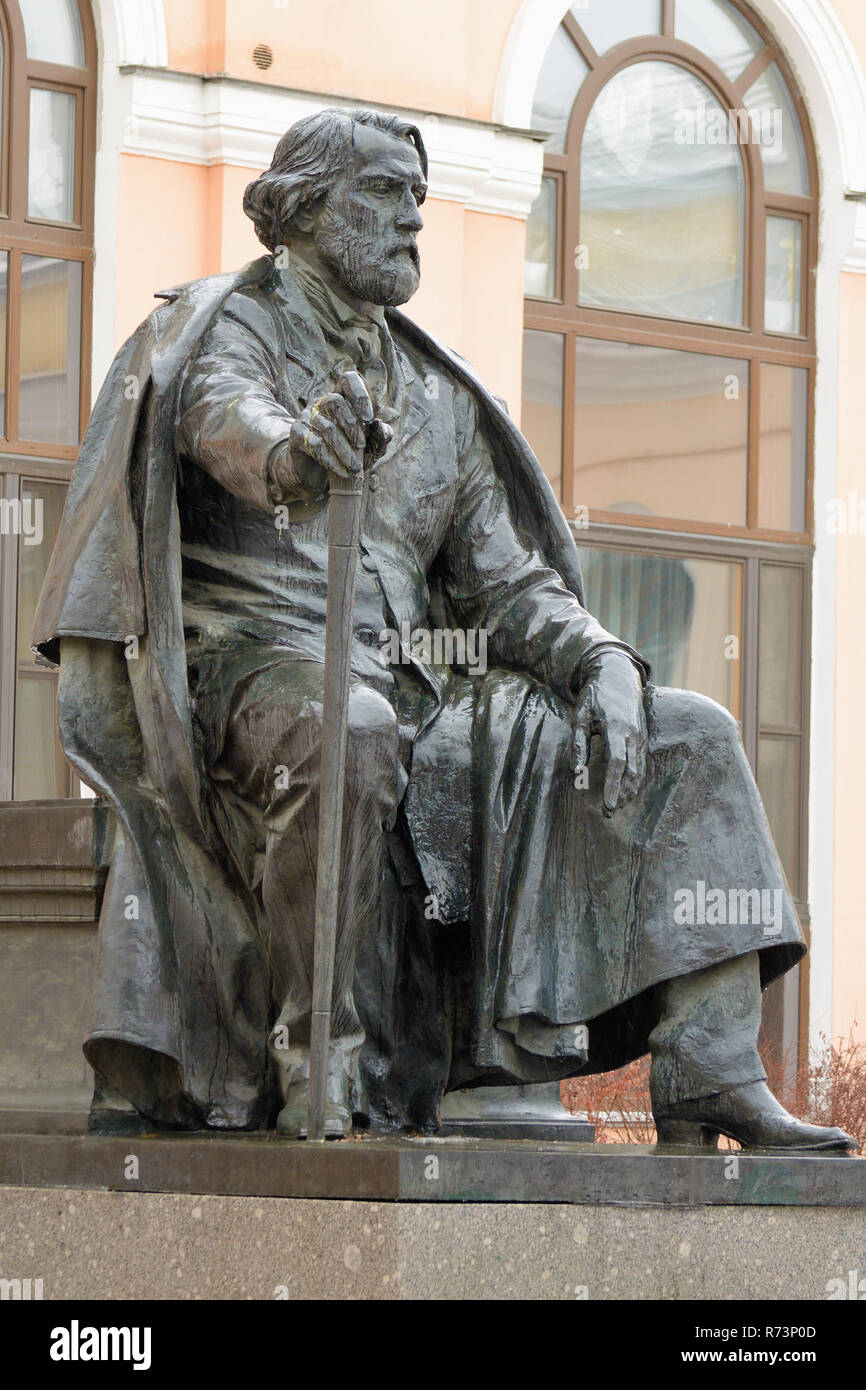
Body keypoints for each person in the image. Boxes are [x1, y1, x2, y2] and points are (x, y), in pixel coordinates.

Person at [32, 109, 852, 1151]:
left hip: (413, 692)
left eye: (418, 196)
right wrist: (294, 458)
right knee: (349, 725)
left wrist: (597, 655)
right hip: (249, 670)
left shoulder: (433, 395)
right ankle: (316, 1053)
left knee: (685, 727)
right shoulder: (222, 329)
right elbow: (229, 422)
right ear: (298, 209)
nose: (412, 219)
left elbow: (505, 583)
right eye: (381, 193)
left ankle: (707, 1066)